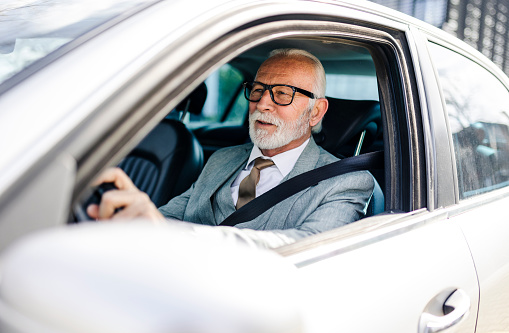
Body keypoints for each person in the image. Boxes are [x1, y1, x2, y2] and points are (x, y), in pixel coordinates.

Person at [87, 48, 375, 248]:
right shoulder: (221, 159)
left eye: (283, 94)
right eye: (259, 89)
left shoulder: (346, 182)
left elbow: (306, 246)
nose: (262, 102)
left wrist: (177, 237)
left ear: (316, 112)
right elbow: (170, 216)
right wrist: (131, 217)